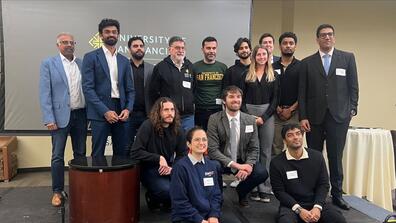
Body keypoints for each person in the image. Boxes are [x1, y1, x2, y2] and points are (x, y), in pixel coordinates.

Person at [299, 24, 359, 210]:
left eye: (330, 34)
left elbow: (353, 86)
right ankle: (314, 194)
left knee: (335, 156)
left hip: (339, 117)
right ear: (317, 39)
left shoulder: (347, 58)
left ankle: (337, 195)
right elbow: (302, 93)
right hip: (314, 118)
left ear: (334, 37)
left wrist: (353, 108)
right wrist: (303, 116)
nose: (327, 37)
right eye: (323, 35)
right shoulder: (307, 62)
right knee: (314, 157)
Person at [39, 33, 87, 206]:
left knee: (80, 155)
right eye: (64, 42)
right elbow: (45, 93)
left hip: (81, 115)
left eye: (71, 42)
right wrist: (48, 118)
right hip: (59, 118)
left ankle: (80, 188)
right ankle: (57, 192)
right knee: (57, 156)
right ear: (58, 45)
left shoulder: (82, 63)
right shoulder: (48, 64)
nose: (69, 45)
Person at [270, 124, 347, 223]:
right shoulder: (277, 162)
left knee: (339, 220)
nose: (295, 137)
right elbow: (279, 191)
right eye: (290, 135)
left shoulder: (317, 157)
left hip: (316, 202)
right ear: (284, 141)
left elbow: (323, 185)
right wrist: (299, 210)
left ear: (302, 136)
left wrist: (317, 207)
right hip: (291, 206)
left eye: (298, 134)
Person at [207, 86, 268, 207]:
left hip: (242, 158)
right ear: (224, 100)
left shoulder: (250, 120)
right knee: (213, 167)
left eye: (238, 97)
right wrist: (237, 166)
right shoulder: (214, 119)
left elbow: (254, 147)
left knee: (261, 173)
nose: (235, 100)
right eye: (231, 96)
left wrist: (249, 165)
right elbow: (212, 150)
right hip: (222, 159)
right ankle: (217, 196)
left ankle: (242, 192)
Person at [82, 18, 135, 157]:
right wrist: (105, 111)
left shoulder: (124, 60)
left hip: (121, 110)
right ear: (101, 35)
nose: (111, 34)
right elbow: (87, 88)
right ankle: (97, 180)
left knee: (122, 152)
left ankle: (119, 180)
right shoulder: (90, 57)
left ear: (118, 35)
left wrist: (128, 109)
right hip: (100, 111)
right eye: (107, 32)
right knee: (98, 153)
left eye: (114, 32)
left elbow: (130, 89)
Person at [131, 97, 187, 210]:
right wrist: (158, 158)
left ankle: (167, 202)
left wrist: (174, 168)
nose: (170, 113)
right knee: (167, 191)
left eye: (172, 110)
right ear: (158, 112)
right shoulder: (147, 126)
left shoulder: (178, 129)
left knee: (188, 188)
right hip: (149, 169)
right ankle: (152, 197)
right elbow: (135, 152)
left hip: (168, 168)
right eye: (165, 110)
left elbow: (182, 154)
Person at [241, 45, 279, 202]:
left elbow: (276, 99)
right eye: (258, 54)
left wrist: (264, 117)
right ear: (254, 56)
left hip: (267, 114)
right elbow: (240, 99)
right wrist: (249, 117)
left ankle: (265, 188)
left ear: (268, 56)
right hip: (248, 114)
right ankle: (253, 186)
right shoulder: (246, 74)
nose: (261, 57)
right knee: (251, 150)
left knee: (265, 151)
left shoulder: (274, 75)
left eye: (264, 54)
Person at [170, 127, 222, 223]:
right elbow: (179, 201)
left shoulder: (212, 165)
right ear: (188, 144)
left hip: (208, 216)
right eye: (197, 140)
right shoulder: (180, 168)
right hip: (186, 218)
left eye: (204, 139)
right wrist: (199, 220)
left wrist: (214, 215)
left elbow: (216, 195)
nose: (201, 143)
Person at [148, 36, 194, 132]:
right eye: (177, 48)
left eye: (183, 48)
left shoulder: (190, 67)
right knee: (169, 145)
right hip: (168, 116)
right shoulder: (160, 67)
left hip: (188, 117)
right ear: (170, 50)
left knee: (187, 145)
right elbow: (153, 92)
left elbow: (195, 88)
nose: (181, 50)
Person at [272, 32, 301, 155]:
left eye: (291, 43)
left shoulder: (302, 66)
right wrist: (277, 108)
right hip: (275, 113)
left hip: (295, 113)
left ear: (295, 46)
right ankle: (276, 174)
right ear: (280, 46)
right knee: (275, 148)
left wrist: (292, 109)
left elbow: (304, 92)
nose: (288, 46)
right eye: (285, 43)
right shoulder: (271, 67)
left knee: (295, 146)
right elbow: (269, 91)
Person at [193, 36, 227, 130]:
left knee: (217, 139)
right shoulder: (195, 67)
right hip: (200, 110)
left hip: (218, 110)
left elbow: (225, 90)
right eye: (208, 48)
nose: (211, 51)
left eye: (214, 48)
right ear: (202, 49)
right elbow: (192, 89)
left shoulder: (223, 67)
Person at [127, 36, 154, 147]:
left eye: (141, 46)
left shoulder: (151, 68)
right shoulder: (124, 66)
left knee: (146, 146)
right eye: (135, 46)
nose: (139, 48)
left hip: (146, 114)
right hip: (128, 115)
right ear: (129, 49)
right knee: (126, 146)